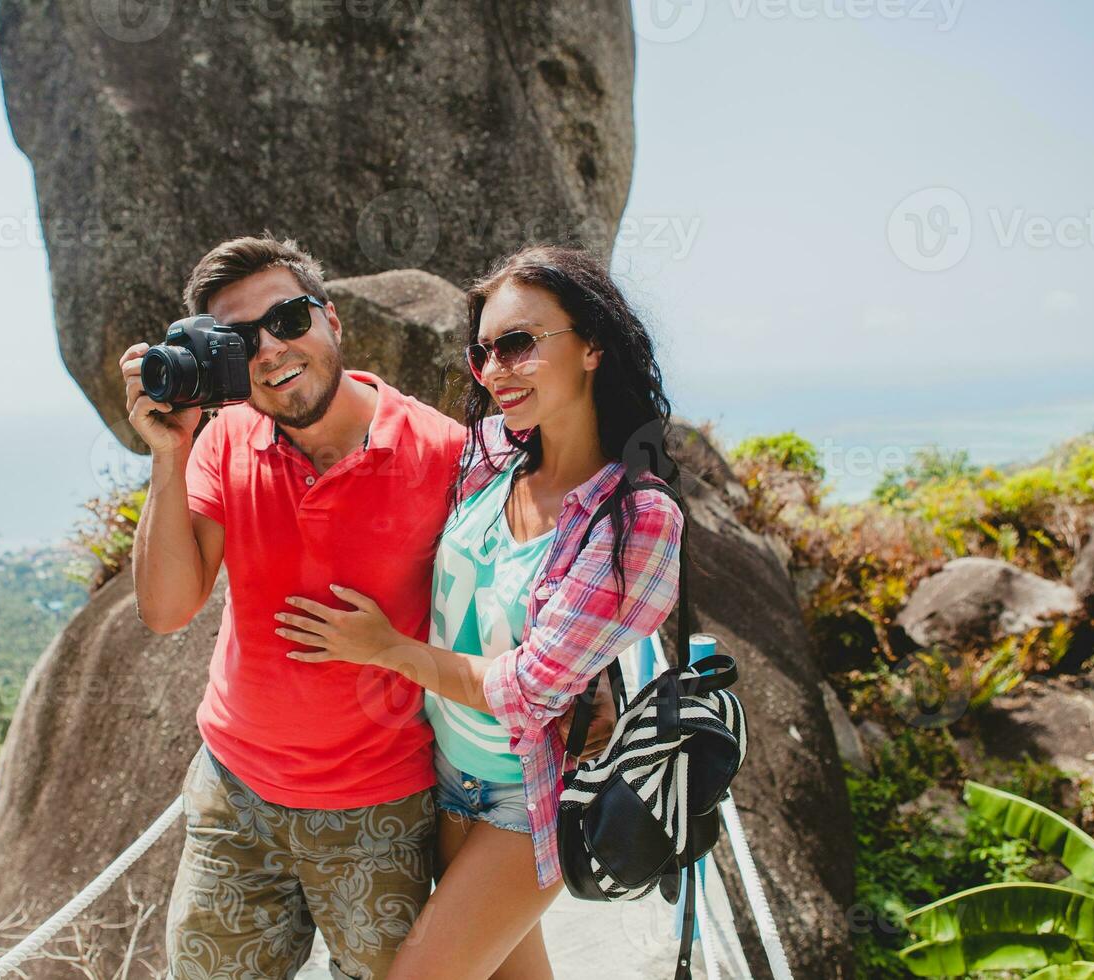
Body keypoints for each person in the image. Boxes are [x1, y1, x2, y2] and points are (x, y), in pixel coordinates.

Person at [122, 235, 615, 980]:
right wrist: (169, 453)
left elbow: (532, 553)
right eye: (240, 338)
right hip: (235, 796)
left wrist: (590, 670)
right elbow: (165, 611)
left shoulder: (447, 455)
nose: (271, 349)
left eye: (288, 318)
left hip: (379, 810)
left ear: (333, 321)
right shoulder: (223, 440)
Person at [276, 244, 685, 980]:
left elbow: (530, 690)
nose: (497, 370)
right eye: (484, 352)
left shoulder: (636, 520)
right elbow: (384, 438)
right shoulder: (490, 456)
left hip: (525, 800)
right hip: (441, 769)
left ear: (593, 345)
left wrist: (386, 649)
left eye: (520, 344)